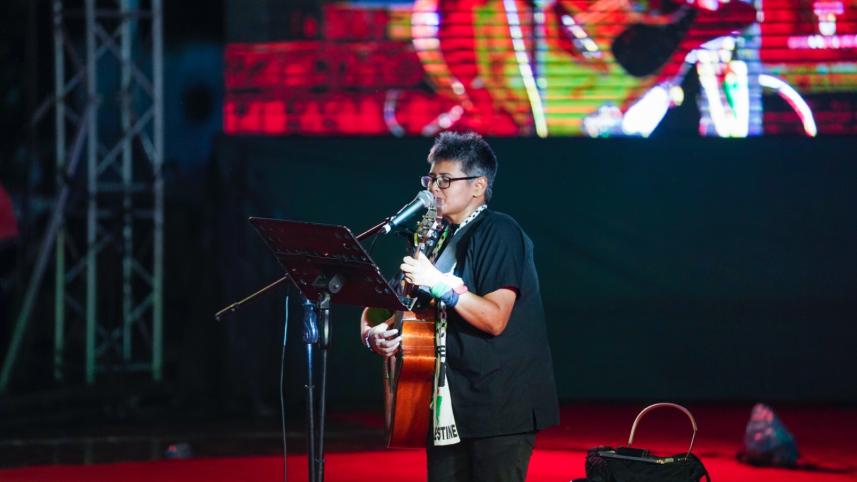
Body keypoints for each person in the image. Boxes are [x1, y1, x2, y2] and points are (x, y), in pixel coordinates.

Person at [360, 131, 559, 482]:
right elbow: (381, 306)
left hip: (497, 404)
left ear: (478, 186)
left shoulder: (498, 231)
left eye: (445, 180)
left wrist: (440, 284)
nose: (434, 188)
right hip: (444, 406)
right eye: (431, 178)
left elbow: (495, 318)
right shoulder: (433, 237)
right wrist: (372, 334)